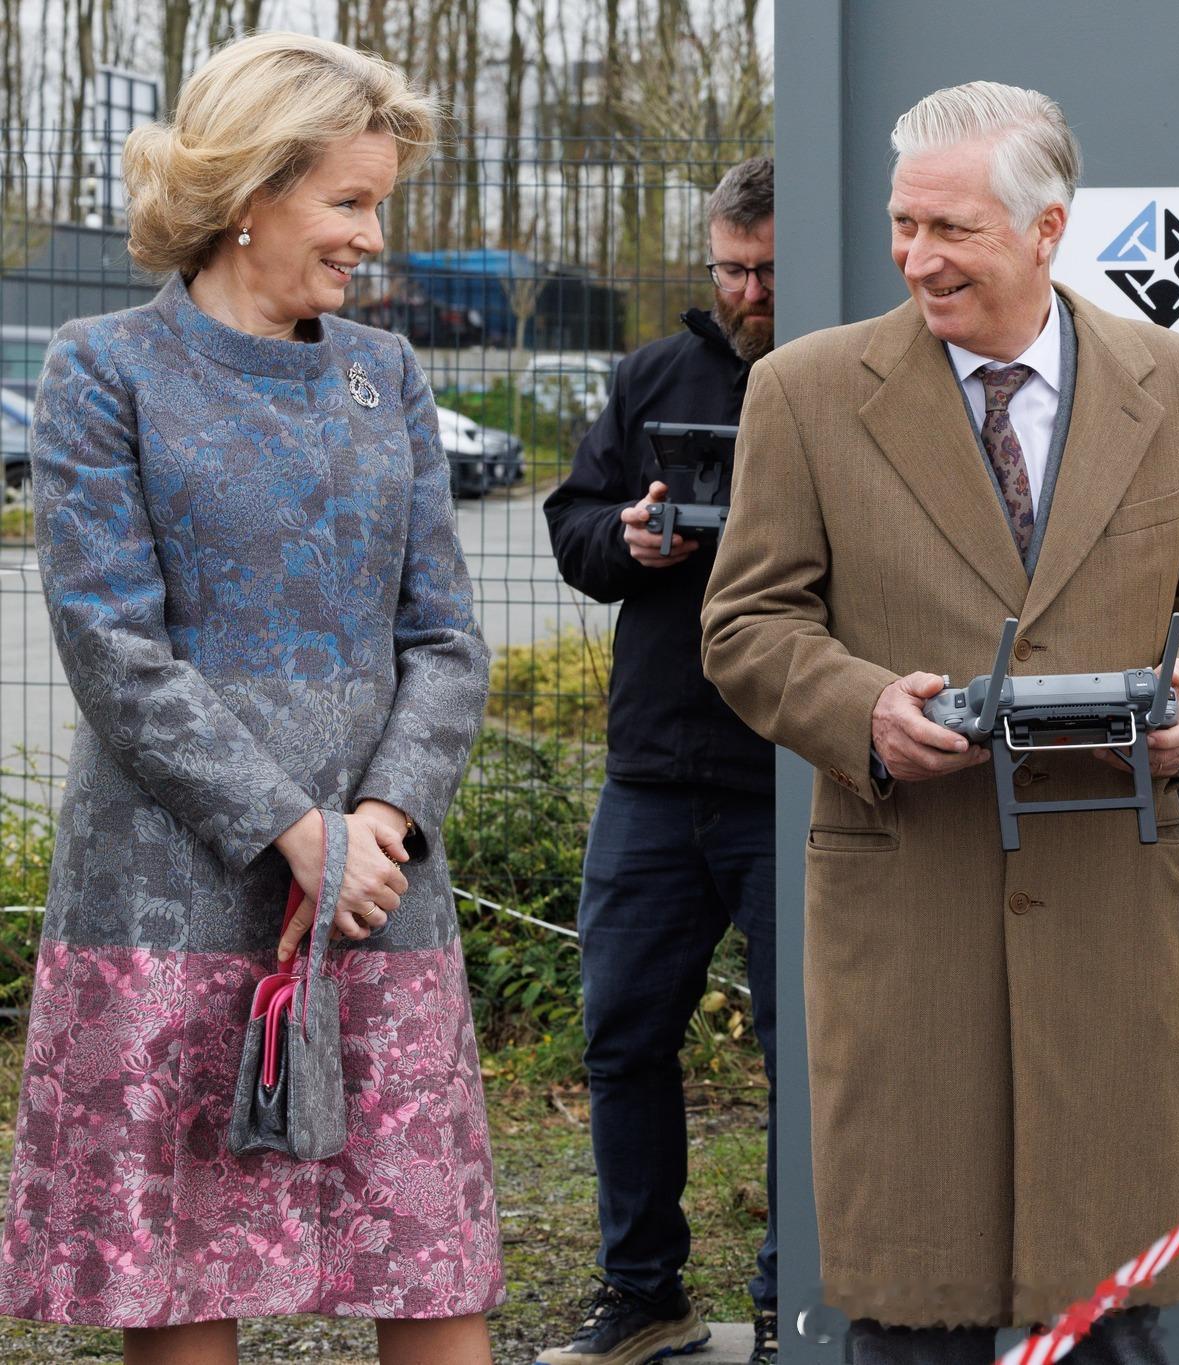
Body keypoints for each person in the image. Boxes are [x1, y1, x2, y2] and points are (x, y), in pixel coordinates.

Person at [701, 81, 1179, 1365]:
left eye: (950, 229)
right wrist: (863, 711)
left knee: (1109, 1314)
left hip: (1106, 905)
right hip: (911, 906)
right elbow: (744, 625)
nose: (916, 258)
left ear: (1045, 228)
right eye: (903, 225)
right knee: (914, 1313)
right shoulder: (803, 393)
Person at [0, 31, 500, 1365]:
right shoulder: (101, 369)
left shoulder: (387, 375)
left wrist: (380, 821)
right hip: (167, 888)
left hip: (381, 887)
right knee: (181, 1272)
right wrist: (296, 833)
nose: (372, 237)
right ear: (249, 193)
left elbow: (446, 638)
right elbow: (113, 647)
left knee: (426, 1254)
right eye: (349, 200)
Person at [540, 155, 780, 1365]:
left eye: (769, 272)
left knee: (809, 1053)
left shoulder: (859, 377)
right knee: (623, 1038)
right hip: (652, 774)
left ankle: (795, 1301)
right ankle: (645, 1293)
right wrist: (628, 538)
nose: (745, 294)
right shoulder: (651, 376)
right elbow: (571, 525)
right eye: (729, 270)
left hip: (796, 777)